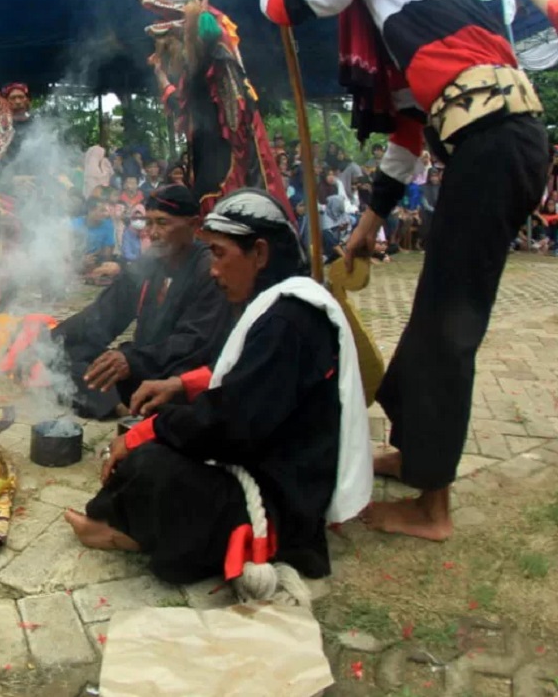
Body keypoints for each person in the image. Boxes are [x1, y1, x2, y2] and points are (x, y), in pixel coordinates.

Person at [252, 0, 548, 540]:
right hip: (489, 142)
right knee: (433, 311)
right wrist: (367, 225)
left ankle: (431, 507)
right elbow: (410, 131)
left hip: (495, 141)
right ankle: (417, 455)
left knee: (451, 323)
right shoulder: (409, 4)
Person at [64, 190, 372, 589]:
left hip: (281, 499)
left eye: (220, 253)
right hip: (259, 456)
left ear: (259, 254)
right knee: (152, 443)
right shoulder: (274, 307)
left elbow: (227, 427)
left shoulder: (288, 322)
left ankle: (134, 532)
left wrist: (152, 429)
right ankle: (128, 518)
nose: (212, 269)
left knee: (154, 465)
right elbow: (239, 392)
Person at [53, 186, 232, 420]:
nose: (153, 233)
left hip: (174, 369)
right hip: (139, 367)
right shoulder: (150, 261)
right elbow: (104, 313)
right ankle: (120, 407)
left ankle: (122, 405)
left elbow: (193, 342)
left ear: (193, 224)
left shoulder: (208, 269)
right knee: (67, 355)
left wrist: (132, 359)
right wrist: (52, 338)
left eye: (162, 222)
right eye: (148, 223)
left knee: (186, 387)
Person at [72, 197, 118, 282]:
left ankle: (90, 276)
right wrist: (81, 260)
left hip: (95, 262)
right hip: (75, 261)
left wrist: (96, 261)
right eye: (102, 210)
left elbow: (107, 255)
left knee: (113, 267)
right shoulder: (74, 225)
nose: (105, 214)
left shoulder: (108, 226)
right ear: (90, 210)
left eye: (106, 211)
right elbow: (65, 250)